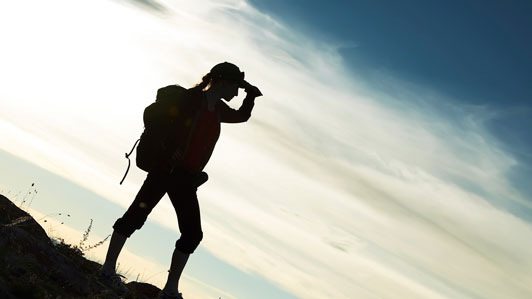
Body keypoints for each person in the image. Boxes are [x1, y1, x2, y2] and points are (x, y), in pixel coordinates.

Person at [98, 62, 262, 299]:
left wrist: (251, 96)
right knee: (135, 216)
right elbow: (159, 122)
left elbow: (242, 116)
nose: (237, 92)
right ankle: (107, 269)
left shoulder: (217, 109)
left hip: (186, 179)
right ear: (223, 81)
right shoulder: (190, 99)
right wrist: (167, 149)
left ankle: (169, 290)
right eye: (236, 86)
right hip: (166, 170)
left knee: (192, 234)